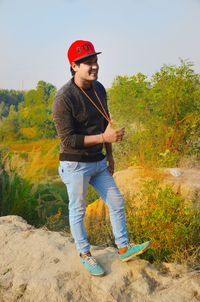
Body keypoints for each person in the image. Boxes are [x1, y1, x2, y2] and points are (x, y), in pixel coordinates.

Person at [52, 40, 150, 276]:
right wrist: (103, 137)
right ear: (74, 66)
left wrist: (110, 155)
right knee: (78, 210)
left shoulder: (99, 88)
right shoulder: (63, 98)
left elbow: (106, 122)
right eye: (88, 62)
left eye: (95, 61)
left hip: (98, 162)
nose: (94, 66)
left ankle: (124, 247)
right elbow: (68, 140)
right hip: (74, 164)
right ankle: (85, 254)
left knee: (116, 201)